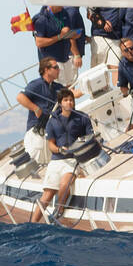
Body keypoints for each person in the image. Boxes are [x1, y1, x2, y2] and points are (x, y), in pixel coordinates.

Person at [35, 88, 93, 222]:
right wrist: (60, 150)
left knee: (64, 184)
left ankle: (59, 211)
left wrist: (78, 146)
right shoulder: (52, 121)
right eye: (66, 100)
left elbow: (90, 137)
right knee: (47, 195)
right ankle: (31, 223)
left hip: (73, 160)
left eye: (71, 100)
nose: (70, 103)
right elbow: (51, 145)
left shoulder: (82, 118)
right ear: (60, 103)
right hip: (56, 160)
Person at [31, 4, 85, 86]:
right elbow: (39, 42)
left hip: (66, 59)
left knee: (69, 89)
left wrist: (75, 33)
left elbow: (70, 34)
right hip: (53, 63)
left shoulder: (64, 13)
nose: (63, 4)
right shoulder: (40, 19)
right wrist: (59, 36)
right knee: (60, 92)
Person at [17, 58, 75, 130]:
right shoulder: (36, 84)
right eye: (55, 67)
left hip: (51, 127)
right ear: (46, 70)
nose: (59, 70)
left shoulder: (57, 86)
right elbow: (20, 97)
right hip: (37, 128)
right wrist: (36, 109)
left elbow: (72, 93)